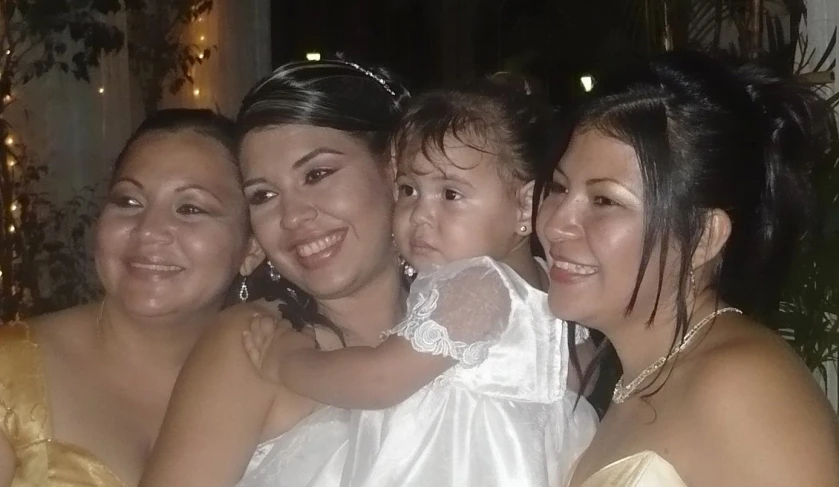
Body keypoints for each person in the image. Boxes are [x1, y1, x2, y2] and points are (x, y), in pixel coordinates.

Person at [242, 75, 598, 487]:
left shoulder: (478, 283)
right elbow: (574, 383)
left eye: (450, 194)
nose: (420, 215)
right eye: (409, 190)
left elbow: (379, 380)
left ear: (523, 206)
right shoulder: (550, 291)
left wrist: (286, 364)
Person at [536, 50, 839, 487]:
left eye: (604, 201)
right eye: (558, 187)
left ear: (703, 238)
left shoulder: (740, 387)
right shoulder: (638, 376)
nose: (555, 223)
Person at [138, 59, 411, 487]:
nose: (293, 217)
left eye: (317, 174)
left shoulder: (467, 317)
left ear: (393, 168)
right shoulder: (249, 346)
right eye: (264, 195)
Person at [0, 108, 255, 487]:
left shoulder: (274, 379)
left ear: (252, 249)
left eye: (190, 208)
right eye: (129, 201)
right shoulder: (10, 378)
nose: (149, 231)